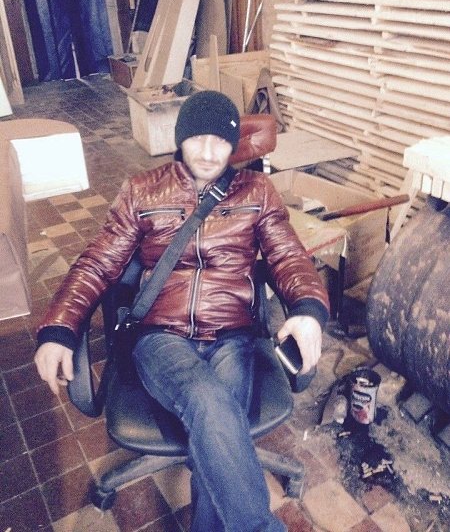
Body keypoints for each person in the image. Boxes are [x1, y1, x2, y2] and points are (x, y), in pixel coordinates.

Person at [35, 90, 330, 532]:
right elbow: (97, 263)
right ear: (180, 138)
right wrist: (59, 329)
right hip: (161, 336)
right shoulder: (142, 191)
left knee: (218, 422)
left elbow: (289, 256)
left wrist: (307, 309)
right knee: (211, 403)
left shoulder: (258, 192)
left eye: (220, 141)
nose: (209, 153)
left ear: (234, 145)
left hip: (234, 335)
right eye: (197, 139)